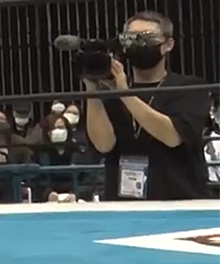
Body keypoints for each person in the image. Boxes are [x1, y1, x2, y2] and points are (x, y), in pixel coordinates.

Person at [84, 11, 210, 200]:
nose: (138, 45)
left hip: (179, 200)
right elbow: (103, 145)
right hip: (123, 204)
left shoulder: (189, 87)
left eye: (146, 39)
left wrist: (125, 94)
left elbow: (172, 136)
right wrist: (91, 88)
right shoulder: (111, 91)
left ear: (168, 45)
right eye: (131, 39)